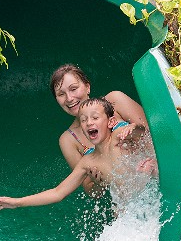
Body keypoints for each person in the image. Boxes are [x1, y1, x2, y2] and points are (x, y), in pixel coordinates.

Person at [0, 97, 156, 212]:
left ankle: (151, 174)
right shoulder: (88, 162)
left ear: (110, 122)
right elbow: (57, 192)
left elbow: (145, 134)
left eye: (95, 117)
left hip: (149, 187)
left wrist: (133, 127)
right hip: (130, 203)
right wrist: (17, 202)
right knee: (119, 213)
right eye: (84, 120)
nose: (89, 122)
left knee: (150, 167)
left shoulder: (119, 135)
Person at [50, 64, 148, 194]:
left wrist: (134, 134)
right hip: (130, 195)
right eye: (61, 94)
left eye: (73, 89)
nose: (69, 98)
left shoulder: (115, 100)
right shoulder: (68, 140)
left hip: (155, 169)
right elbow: (91, 192)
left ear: (87, 87)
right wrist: (98, 183)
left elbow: (154, 131)